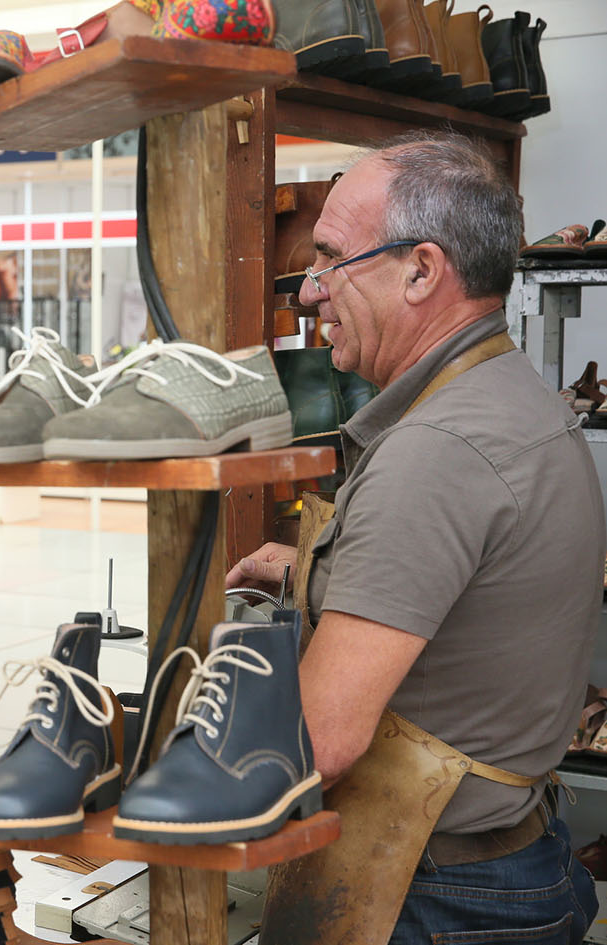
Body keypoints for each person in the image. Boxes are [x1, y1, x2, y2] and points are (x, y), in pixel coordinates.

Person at [226, 132, 603, 941]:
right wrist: (315, 570)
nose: (310, 292)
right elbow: (477, 583)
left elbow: (319, 741)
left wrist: (156, 777)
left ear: (422, 269)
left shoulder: (437, 451)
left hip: (429, 894)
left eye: (330, 259)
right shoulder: (514, 398)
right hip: (507, 864)